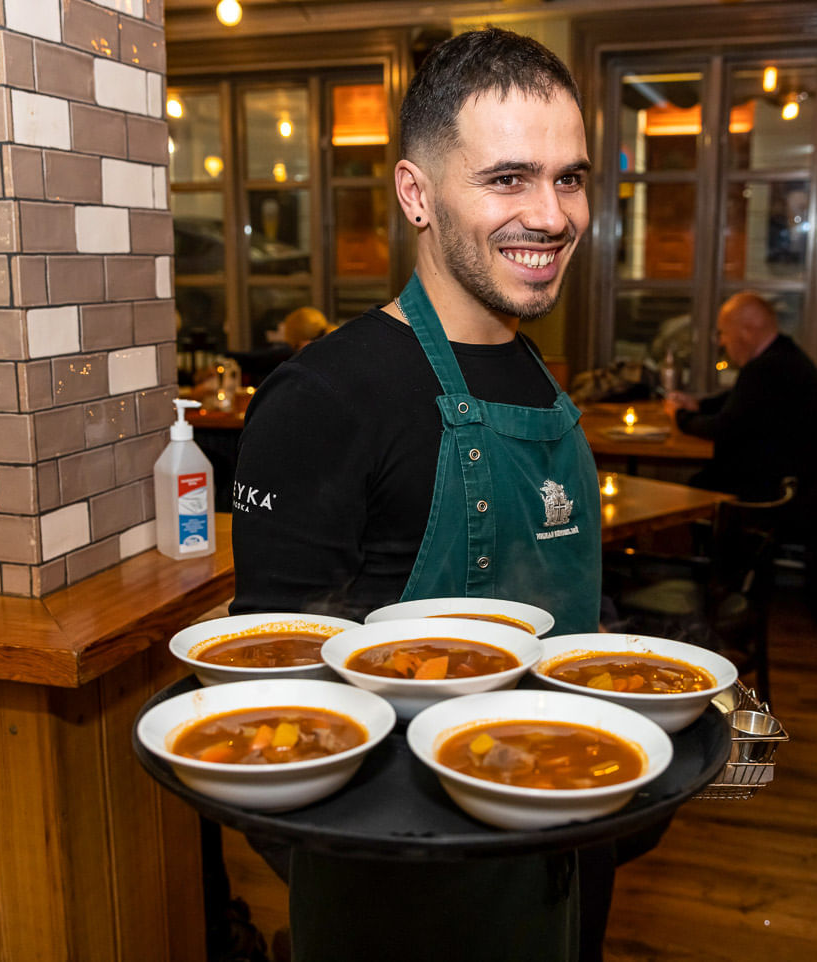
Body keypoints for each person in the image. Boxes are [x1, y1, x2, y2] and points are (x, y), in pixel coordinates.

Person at [228, 26, 619, 962]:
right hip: (411, 899)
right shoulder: (324, 398)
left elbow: (568, 617)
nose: (552, 214)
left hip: (568, 855)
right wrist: (385, 880)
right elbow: (261, 701)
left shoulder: (538, 379)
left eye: (569, 178)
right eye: (508, 179)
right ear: (418, 194)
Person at [663, 291, 817, 503]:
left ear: (747, 331)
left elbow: (723, 428)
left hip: (772, 489)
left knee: (690, 492)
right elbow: (742, 400)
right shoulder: (784, 356)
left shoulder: (765, 369)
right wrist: (699, 405)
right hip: (793, 479)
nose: (721, 342)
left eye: (723, 333)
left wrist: (680, 416)